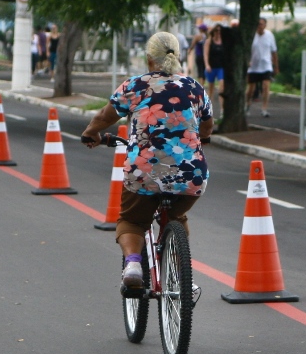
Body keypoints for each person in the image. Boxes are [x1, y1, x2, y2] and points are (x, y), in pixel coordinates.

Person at [81, 32, 213, 287]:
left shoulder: (135, 85)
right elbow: (207, 126)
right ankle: (181, 274)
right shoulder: (195, 87)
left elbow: (105, 117)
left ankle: (132, 264)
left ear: (149, 58)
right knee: (176, 216)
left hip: (144, 171)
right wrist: (202, 138)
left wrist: (91, 133)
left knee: (132, 220)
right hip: (191, 174)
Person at [246, 18, 279, 117]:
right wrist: (248, 61)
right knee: (251, 89)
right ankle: (247, 105)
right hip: (253, 66)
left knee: (266, 86)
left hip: (266, 65)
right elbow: (247, 50)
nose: (259, 26)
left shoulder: (269, 35)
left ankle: (264, 108)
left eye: (261, 24)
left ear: (265, 25)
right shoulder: (252, 36)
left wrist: (276, 66)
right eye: (258, 24)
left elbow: (274, 52)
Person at [203, 24, 226, 116]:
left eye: (220, 31)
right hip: (211, 68)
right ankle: (208, 109)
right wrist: (207, 65)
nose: (218, 33)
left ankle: (222, 110)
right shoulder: (209, 41)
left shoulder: (223, 41)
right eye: (216, 31)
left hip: (221, 67)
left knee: (222, 87)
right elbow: (206, 54)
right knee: (211, 89)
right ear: (213, 32)